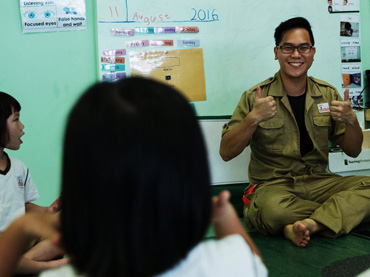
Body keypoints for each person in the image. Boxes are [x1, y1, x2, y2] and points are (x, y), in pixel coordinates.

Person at [0, 78, 267, 277]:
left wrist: (19, 229)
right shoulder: (227, 264)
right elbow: (254, 265)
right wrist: (226, 218)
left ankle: (24, 264)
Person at [220, 17, 370, 247]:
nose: (296, 55)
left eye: (304, 47)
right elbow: (226, 152)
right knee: (273, 210)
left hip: (319, 182)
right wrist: (253, 119)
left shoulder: (327, 94)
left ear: (313, 52)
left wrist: (351, 121)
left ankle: (310, 225)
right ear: (276, 52)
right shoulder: (255, 97)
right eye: (288, 47)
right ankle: (332, 216)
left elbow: (352, 150)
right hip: (273, 187)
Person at [0, 91, 68, 274]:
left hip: (19, 244)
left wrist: (50, 210)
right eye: (16, 119)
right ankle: (52, 266)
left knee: (66, 228)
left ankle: (15, 264)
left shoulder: (18, 167)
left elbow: (25, 206)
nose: (22, 126)